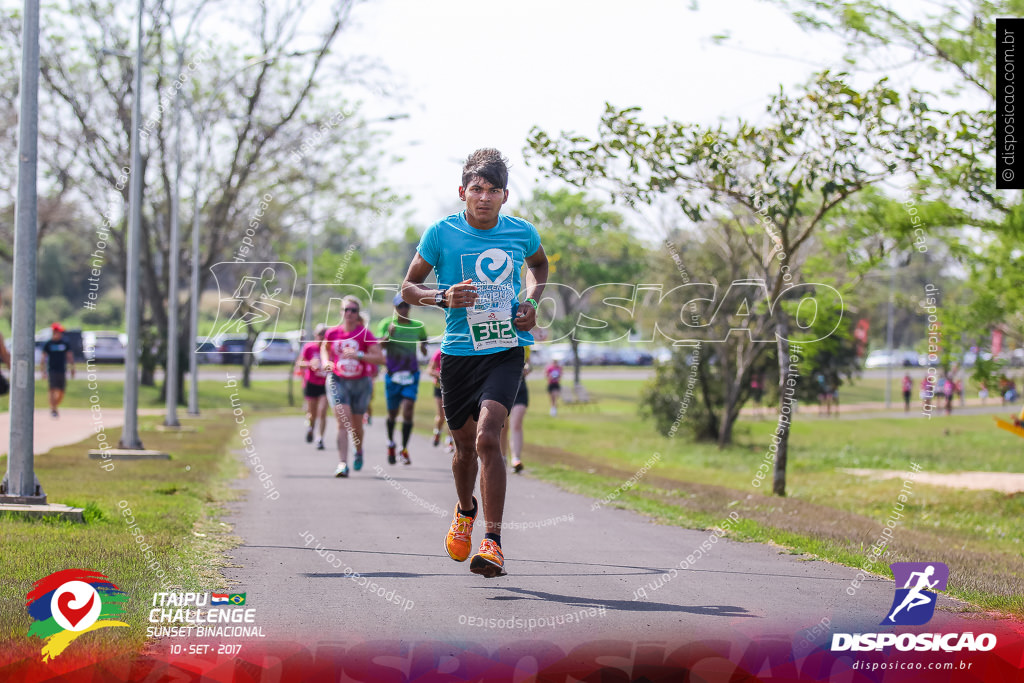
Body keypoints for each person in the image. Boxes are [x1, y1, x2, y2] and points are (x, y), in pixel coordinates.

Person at [400, 148, 548, 578]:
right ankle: (465, 511)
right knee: (464, 447)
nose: (484, 198)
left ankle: (493, 541)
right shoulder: (440, 234)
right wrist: (441, 297)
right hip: (459, 353)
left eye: (494, 190)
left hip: (505, 349)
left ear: (505, 196)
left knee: (487, 438)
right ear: (462, 192)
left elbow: (538, 265)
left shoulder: (522, 232)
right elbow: (409, 287)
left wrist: (531, 301)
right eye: (477, 189)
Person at [321, 296, 384, 477]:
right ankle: (342, 463)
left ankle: (359, 450)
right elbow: (324, 348)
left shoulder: (365, 334)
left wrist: (359, 355)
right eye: (346, 310)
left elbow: (380, 358)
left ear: (357, 315)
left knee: (356, 426)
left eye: (353, 310)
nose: (349, 313)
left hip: (360, 383)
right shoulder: (332, 333)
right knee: (343, 421)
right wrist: (326, 362)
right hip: (338, 380)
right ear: (341, 312)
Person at [378, 294, 429, 465]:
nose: (404, 309)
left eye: (406, 305)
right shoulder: (387, 324)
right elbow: (380, 346)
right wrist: (388, 335)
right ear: (395, 308)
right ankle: (390, 442)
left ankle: (404, 448)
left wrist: (423, 348)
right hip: (393, 374)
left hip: (411, 374)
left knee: (408, 410)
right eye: (400, 306)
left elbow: (424, 347)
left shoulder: (417, 326)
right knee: (392, 413)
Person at [295, 324, 329, 449]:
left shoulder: (329, 349)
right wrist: (310, 364)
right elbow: (300, 363)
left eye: (325, 335)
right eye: (320, 334)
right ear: (316, 335)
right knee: (312, 413)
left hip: (326, 384)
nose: (322, 337)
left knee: (323, 411)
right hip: (311, 383)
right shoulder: (309, 347)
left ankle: (320, 439)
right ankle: (310, 428)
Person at [501, 347, 531, 473]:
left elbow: (528, 361)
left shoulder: (524, 342)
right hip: (501, 388)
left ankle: (516, 459)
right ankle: (502, 458)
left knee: (516, 423)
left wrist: (527, 367)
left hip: (520, 388)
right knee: (502, 426)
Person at [40, 322, 75, 418]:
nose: (60, 334)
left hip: (62, 370)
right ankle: (53, 409)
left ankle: (54, 405)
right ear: (54, 332)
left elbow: (70, 356)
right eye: (59, 332)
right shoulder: (48, 344)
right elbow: (43, 358)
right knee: (52, 389)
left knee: (61, 391)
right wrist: (42, 371)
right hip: (52, 370)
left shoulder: (65, 343)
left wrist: (72, 368)